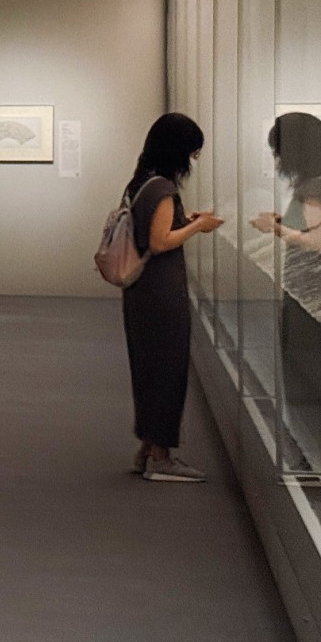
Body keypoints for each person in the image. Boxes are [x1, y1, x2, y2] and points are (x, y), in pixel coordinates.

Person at [120, 112, 223, 482]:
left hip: (141, 291)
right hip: (161, 292)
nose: (193, 160)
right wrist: (198, 226)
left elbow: (152, 230)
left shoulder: (141, 182)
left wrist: (185, 221)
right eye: (192, 152)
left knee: (149, 368)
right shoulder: (164, 189)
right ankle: (161, 457)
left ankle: (148, 446)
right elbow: (161, 241)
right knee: (167, 369)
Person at [252, 113, 321, 426]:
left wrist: (274, 228)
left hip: (310, 297)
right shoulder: (312, 183)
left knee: (304, 379)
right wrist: (280, 223)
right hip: (305, 294)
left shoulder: (315, 185)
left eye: (277, 151)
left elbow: (314, 241)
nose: (276, 159)